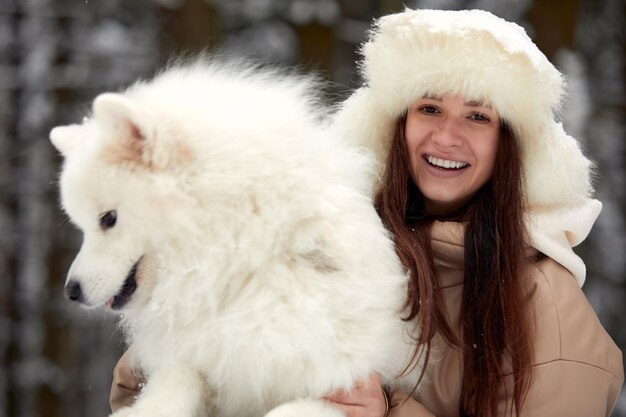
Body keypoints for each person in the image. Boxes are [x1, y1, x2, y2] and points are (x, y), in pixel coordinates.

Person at [109, 8, 624, 417]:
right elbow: (140, 385)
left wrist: (388, 413)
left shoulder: (544, 302)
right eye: (428, 109)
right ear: (394, 125)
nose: (446, 136)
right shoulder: (320, 240)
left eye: (477, 116)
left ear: (508, 145)